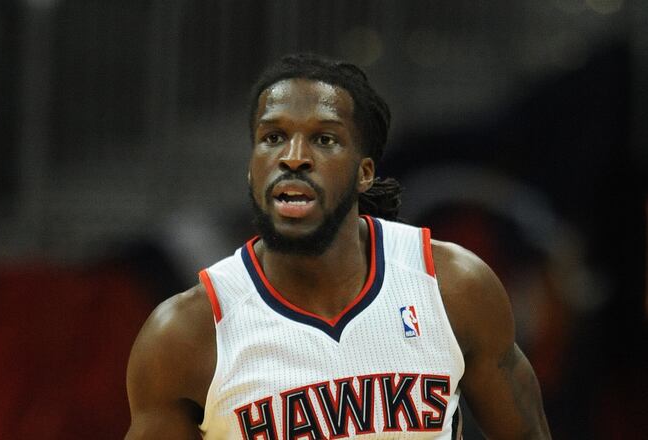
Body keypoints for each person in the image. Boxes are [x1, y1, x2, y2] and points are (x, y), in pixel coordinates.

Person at [125, 53, 551, 439]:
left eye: (324, 139)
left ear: (364, 173)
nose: (293, 156)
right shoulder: (186, 334)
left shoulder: (452, 285)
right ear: (252, 169)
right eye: (273, 137)